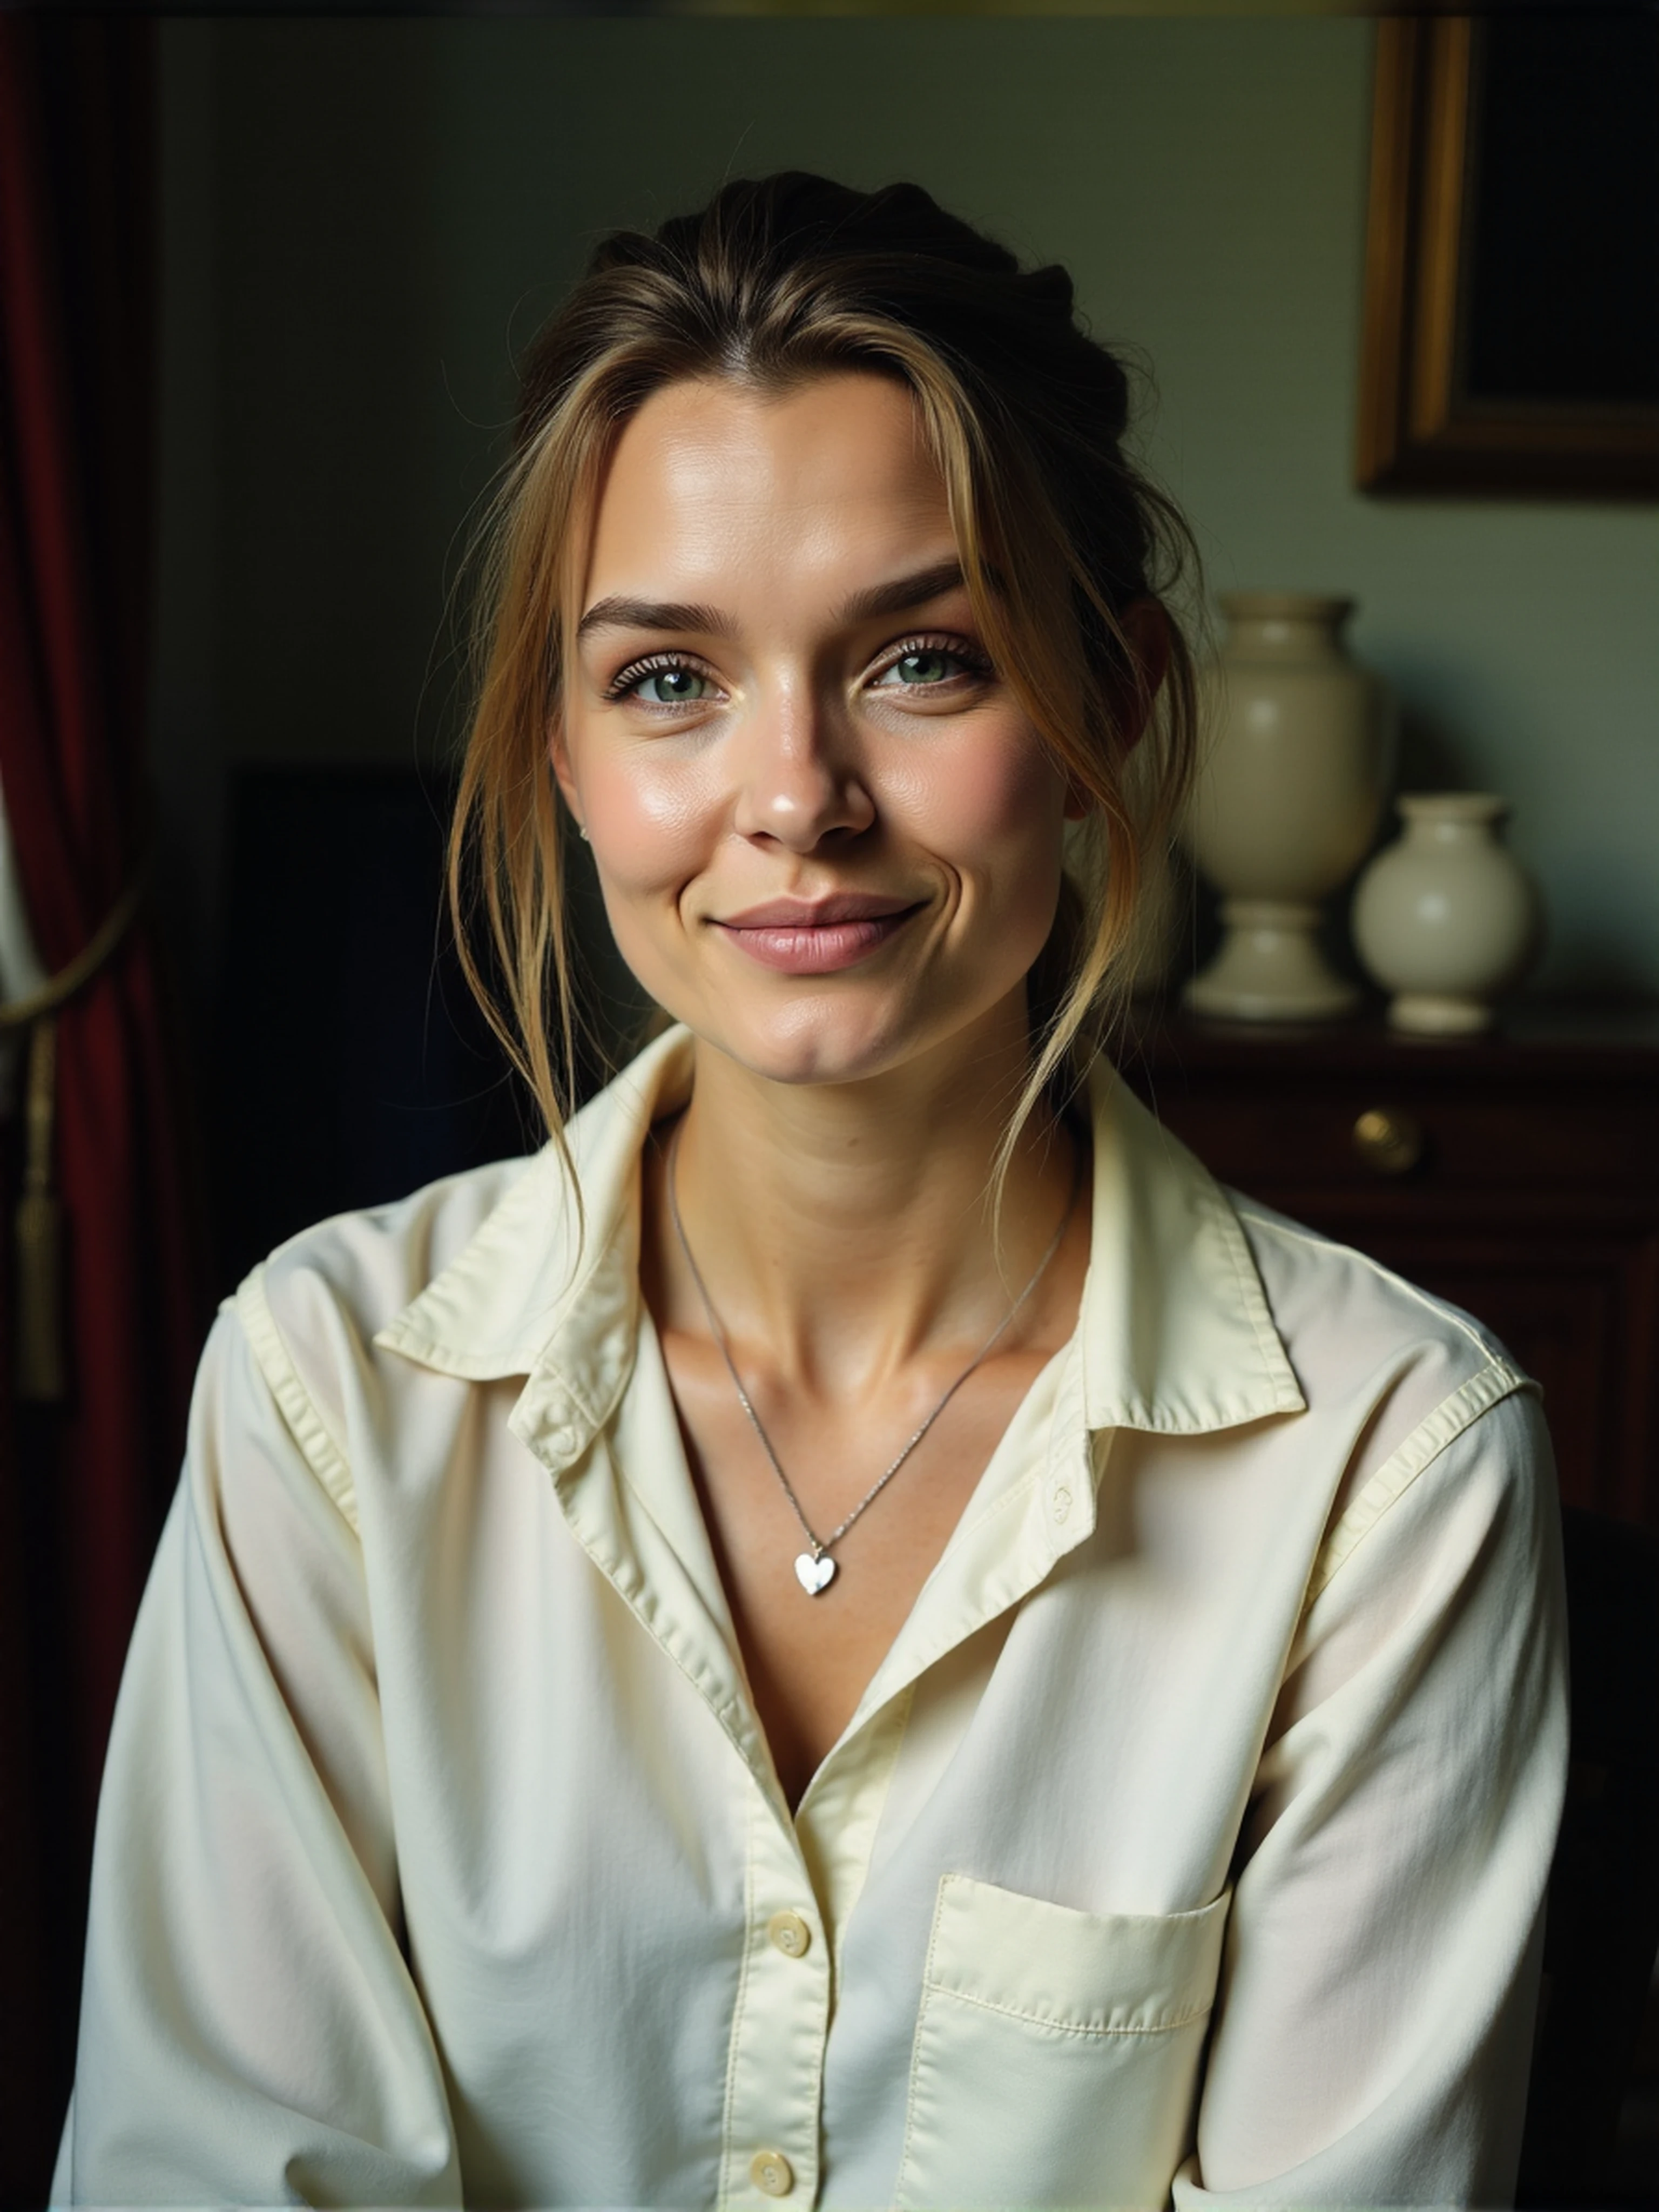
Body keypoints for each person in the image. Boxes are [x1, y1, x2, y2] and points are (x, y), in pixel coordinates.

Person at [55, 173, 1566, 2209]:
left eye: (922, 661)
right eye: (669, 681)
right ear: (566, 756)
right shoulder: (331, 1396)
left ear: (1108, 703)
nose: (794, 798)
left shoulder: (1394, 1465)